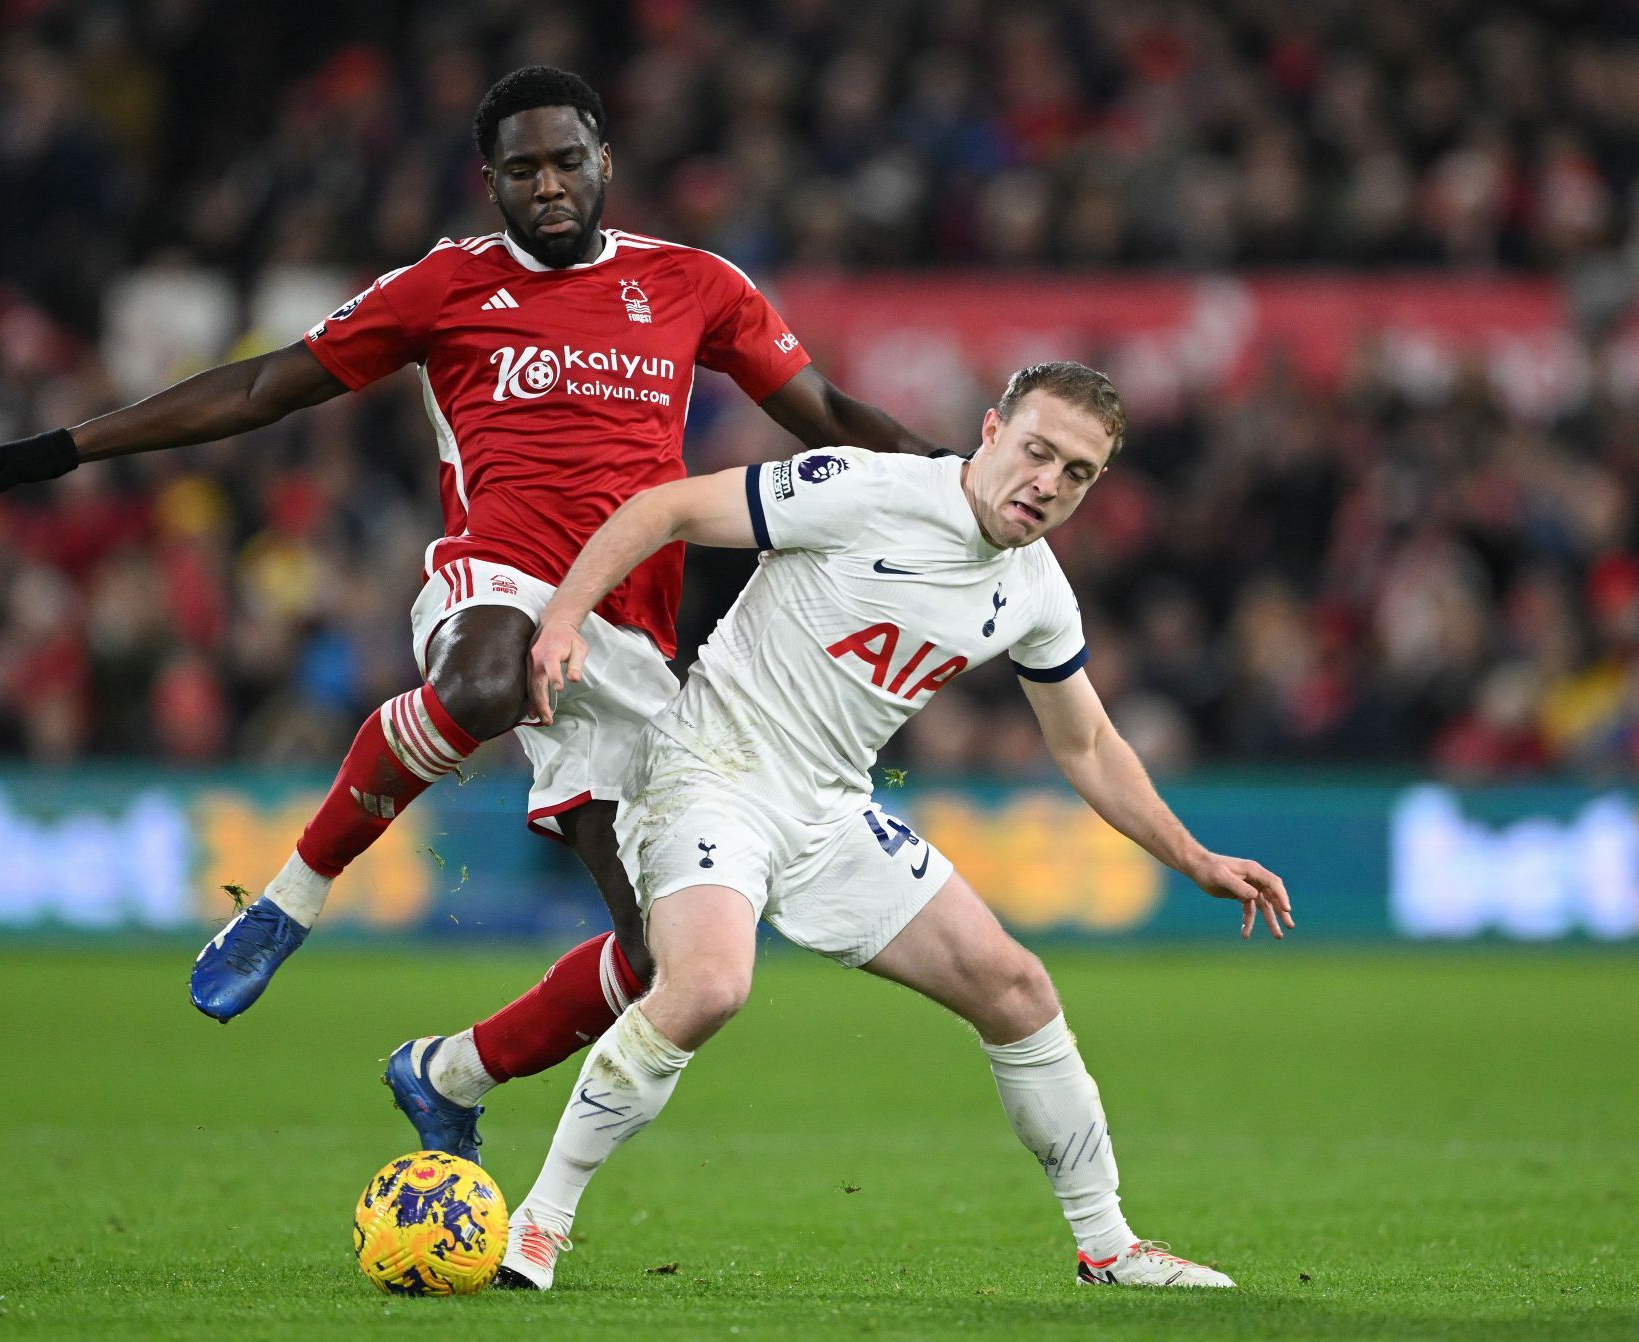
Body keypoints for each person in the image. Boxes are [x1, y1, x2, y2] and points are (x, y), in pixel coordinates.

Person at [0, 66, 933, 1157]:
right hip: (496, 577)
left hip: (631, 635)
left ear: (605, 161)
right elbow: (266, 387)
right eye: (522, 169)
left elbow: (822, 411)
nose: (548, 185)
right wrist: (68, 445)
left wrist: (961, 484)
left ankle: (449, 1071)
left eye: (565, 161)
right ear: (490, 183)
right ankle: (288, 900)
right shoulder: (445, 284)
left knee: (664, 961)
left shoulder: (693, 283)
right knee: (488, 677)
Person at [496, 361, 1293, 1291]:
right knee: (710, 985)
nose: (1048, 483)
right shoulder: (865, 488)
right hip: (708, 771)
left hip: (830, 810)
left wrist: (1192, 857)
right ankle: (540, 1223)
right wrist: (561, 621)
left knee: (1018, 989)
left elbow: (1086, 747)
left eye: (1077, 473)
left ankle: (1109, 1249)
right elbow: (664, 508)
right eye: (1038, 451)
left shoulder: (1035, 589)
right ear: (991, 432)